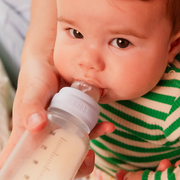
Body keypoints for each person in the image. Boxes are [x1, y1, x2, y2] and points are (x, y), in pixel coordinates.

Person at [0, 0, 180, 180]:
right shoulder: (63, 81)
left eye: (121, 42)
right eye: (76, 33)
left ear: (171, 46)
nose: (87, 61)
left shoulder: (174, 103)